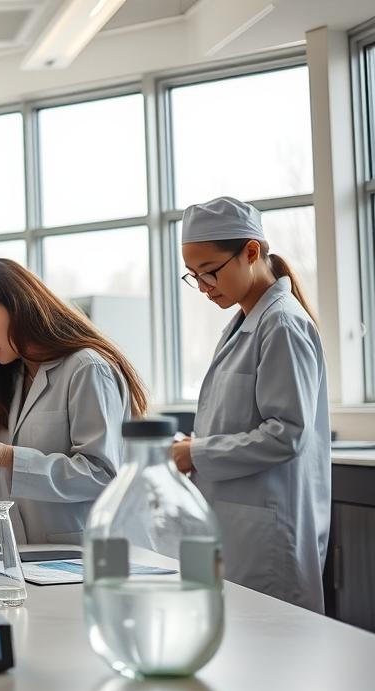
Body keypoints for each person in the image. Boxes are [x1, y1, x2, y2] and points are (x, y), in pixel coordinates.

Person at [171, 196, 330, 612]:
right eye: (193, 276)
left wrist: (197, 453)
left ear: (251, 252)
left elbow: (286, 434)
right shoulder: (244, 322)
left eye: (210, 271)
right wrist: (195, 447)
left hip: (267, 539)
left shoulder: (282, 324)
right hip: (238, 528)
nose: (203, 287)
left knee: (272, 642)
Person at [0, 258, 148, 544]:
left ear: (19, 306)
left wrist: (6, 456)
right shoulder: (11, 376)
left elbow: (102, 475)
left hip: (84, 551)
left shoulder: (86, 368)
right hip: (23, 552)